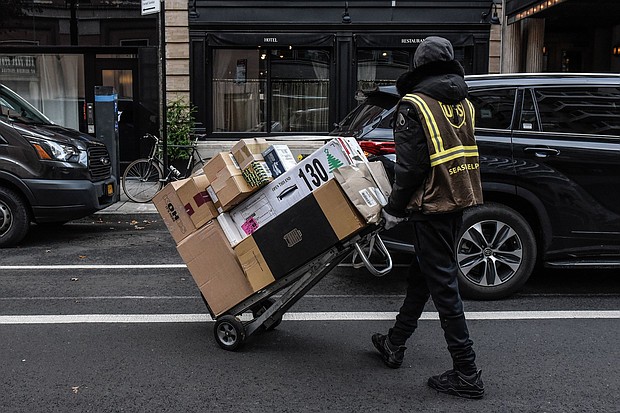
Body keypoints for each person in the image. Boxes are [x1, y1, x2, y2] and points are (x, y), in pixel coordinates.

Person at [372, 36, 484, 399]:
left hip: (431, 203)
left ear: (418, 66)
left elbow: (412, 167)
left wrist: (393, 209)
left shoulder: (414, 104)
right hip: (458, 198)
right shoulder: (463, 101)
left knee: (445, 288)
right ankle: (395, 341)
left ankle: (467, 371)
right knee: (425, 275)